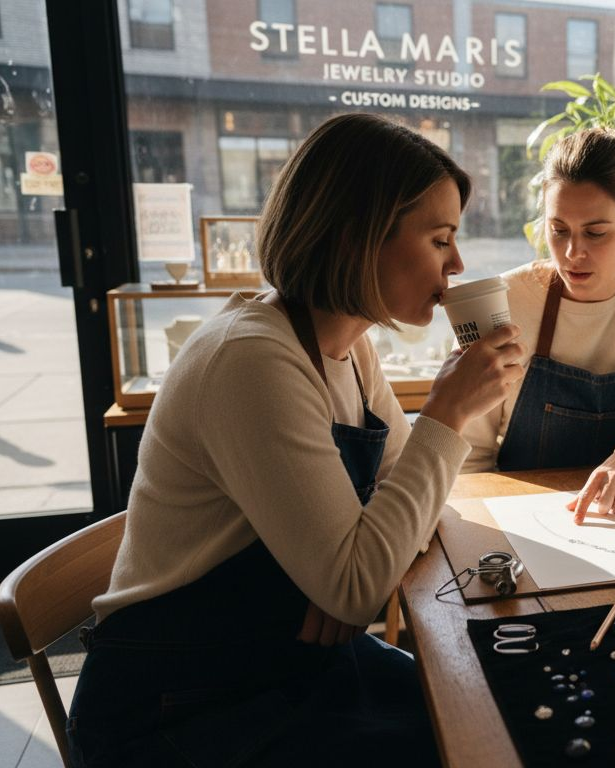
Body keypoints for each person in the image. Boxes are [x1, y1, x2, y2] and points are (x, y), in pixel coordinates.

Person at [65, 113, 525, 767]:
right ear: (357, 237)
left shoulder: (349, 348)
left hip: (285, 657)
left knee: (500, 706)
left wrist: (341, 575)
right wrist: (445, 419)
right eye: (441, 239)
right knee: (478, 745)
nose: (457, 263)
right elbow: (360, 581)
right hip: (180, 702)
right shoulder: (251, 360)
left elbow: (405, 513)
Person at [461, 128, 615, 524]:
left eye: (595, 233)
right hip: (520, 521)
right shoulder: (504, 302)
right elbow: (469, 455)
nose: (572, 253)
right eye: (558, 230)